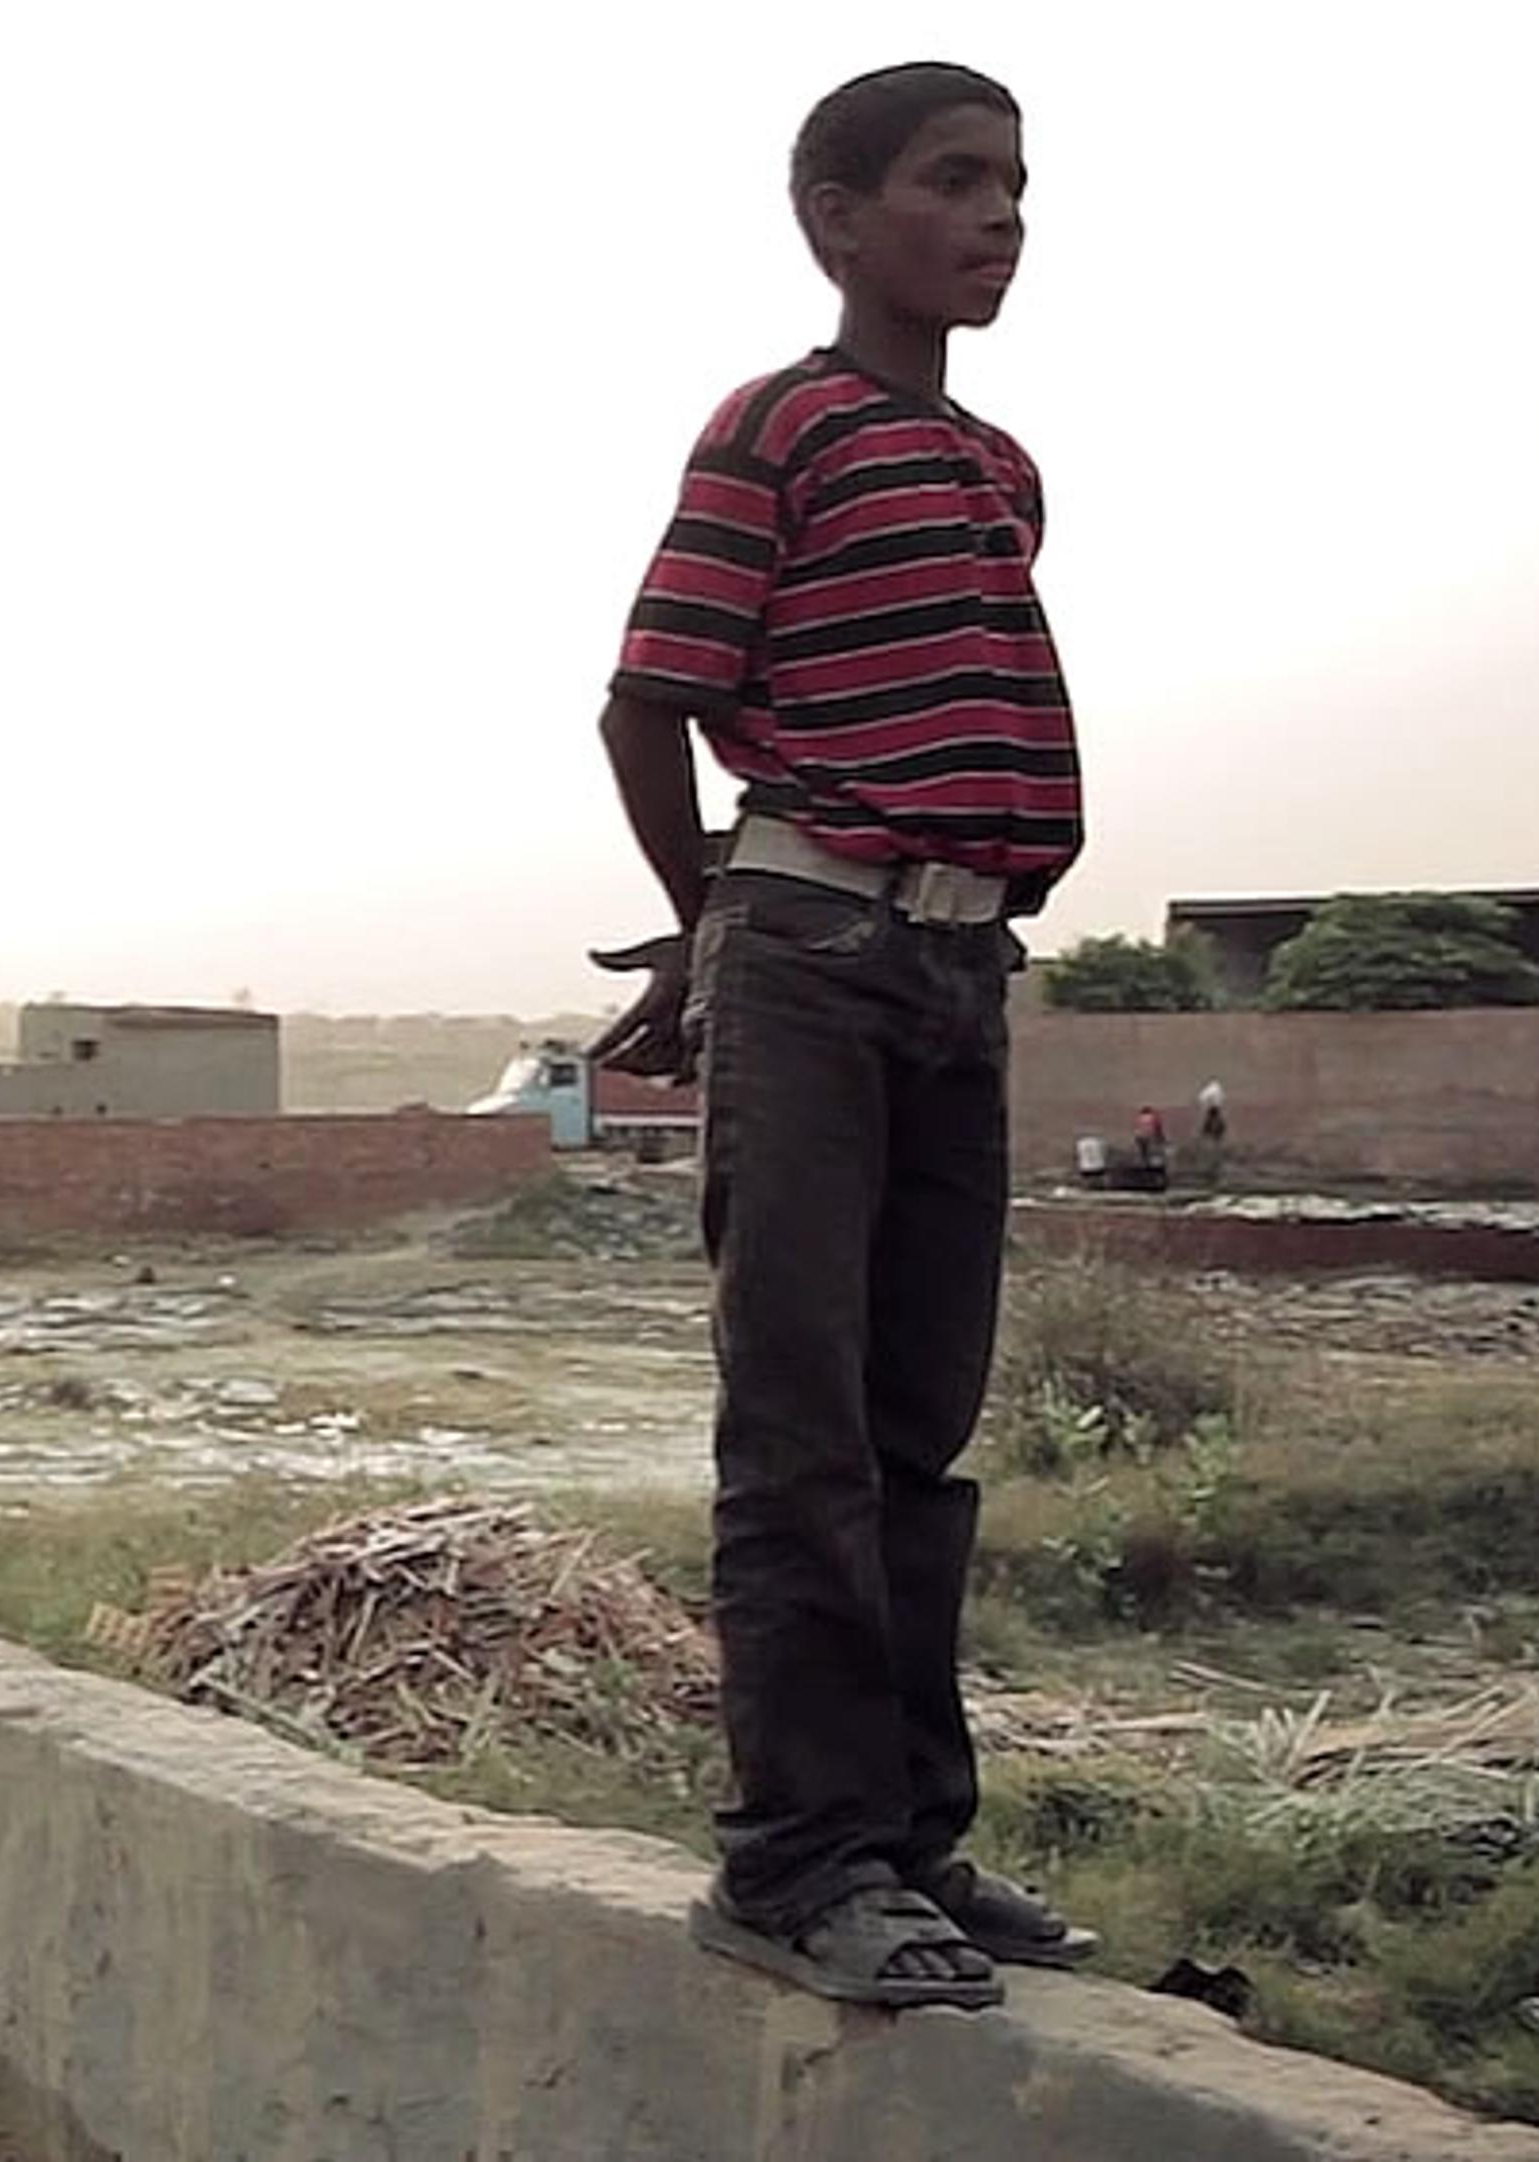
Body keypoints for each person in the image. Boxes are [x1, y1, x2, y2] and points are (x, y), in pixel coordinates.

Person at [584, 62, 1094, 2010]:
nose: (1000, 218)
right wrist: (713, 922)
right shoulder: (780, 424)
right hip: (811, 946)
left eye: (1016, 186)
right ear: (836, 218)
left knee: (914, 1437)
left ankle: (911, 1843)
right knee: (800, 1434)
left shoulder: (1000, 467)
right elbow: (648, 701)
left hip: (963, 968)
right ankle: (797, 1866)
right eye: (954, 181)